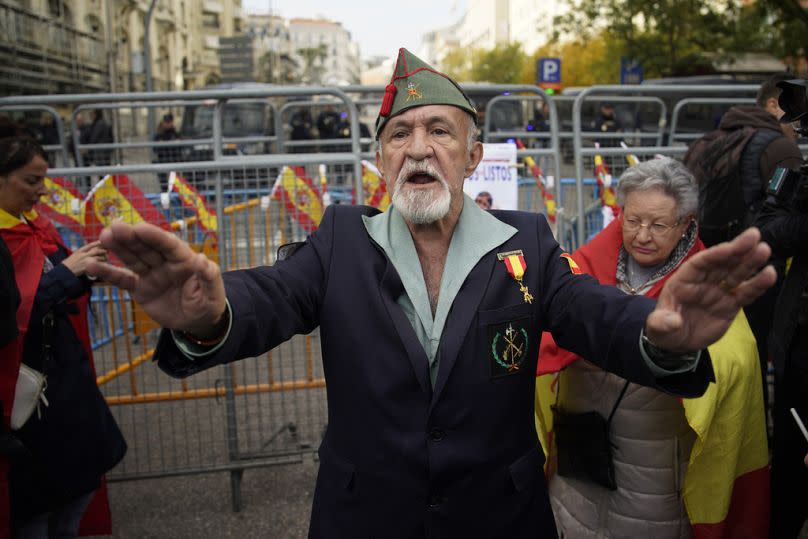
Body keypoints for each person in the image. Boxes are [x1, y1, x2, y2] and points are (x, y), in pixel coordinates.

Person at [87, 48, 776, 538]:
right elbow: (271, 295)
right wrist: (212, 316)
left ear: (472, 155)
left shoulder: (528, 240)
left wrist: (658, 331)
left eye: (438, 130)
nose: (417, 146)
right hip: (364, 517)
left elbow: (589, 311)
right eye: (399, 135)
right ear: (382, 159)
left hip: (498, 517)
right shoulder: (340, 238)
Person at [536, 158, 769, 538]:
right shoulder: (581, 266)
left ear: (686, 226)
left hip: (658, 480)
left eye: (659, 225)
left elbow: (735, 363)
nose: (643, 234)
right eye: (632, 220)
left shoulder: (709, 288)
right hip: (578, 472)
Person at [0, 119, 127, 538]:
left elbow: (61, 274)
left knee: (76, 498)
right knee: (35, 514)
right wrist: (66, 275)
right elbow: (12, 313)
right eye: (32, 181)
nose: (41, 191)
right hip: (26, 400)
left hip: (64, 389)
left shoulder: (34, 226)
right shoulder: (9, 236)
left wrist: (99, 267)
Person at [684, 73, 804, 426]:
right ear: (773, 104)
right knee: (751, 365)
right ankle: (749, 443)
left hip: (701, 265)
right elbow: (787, 217)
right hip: (757, 276)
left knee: (711, 360)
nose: (796, 124)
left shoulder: (707, 141)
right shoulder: (777, 147)